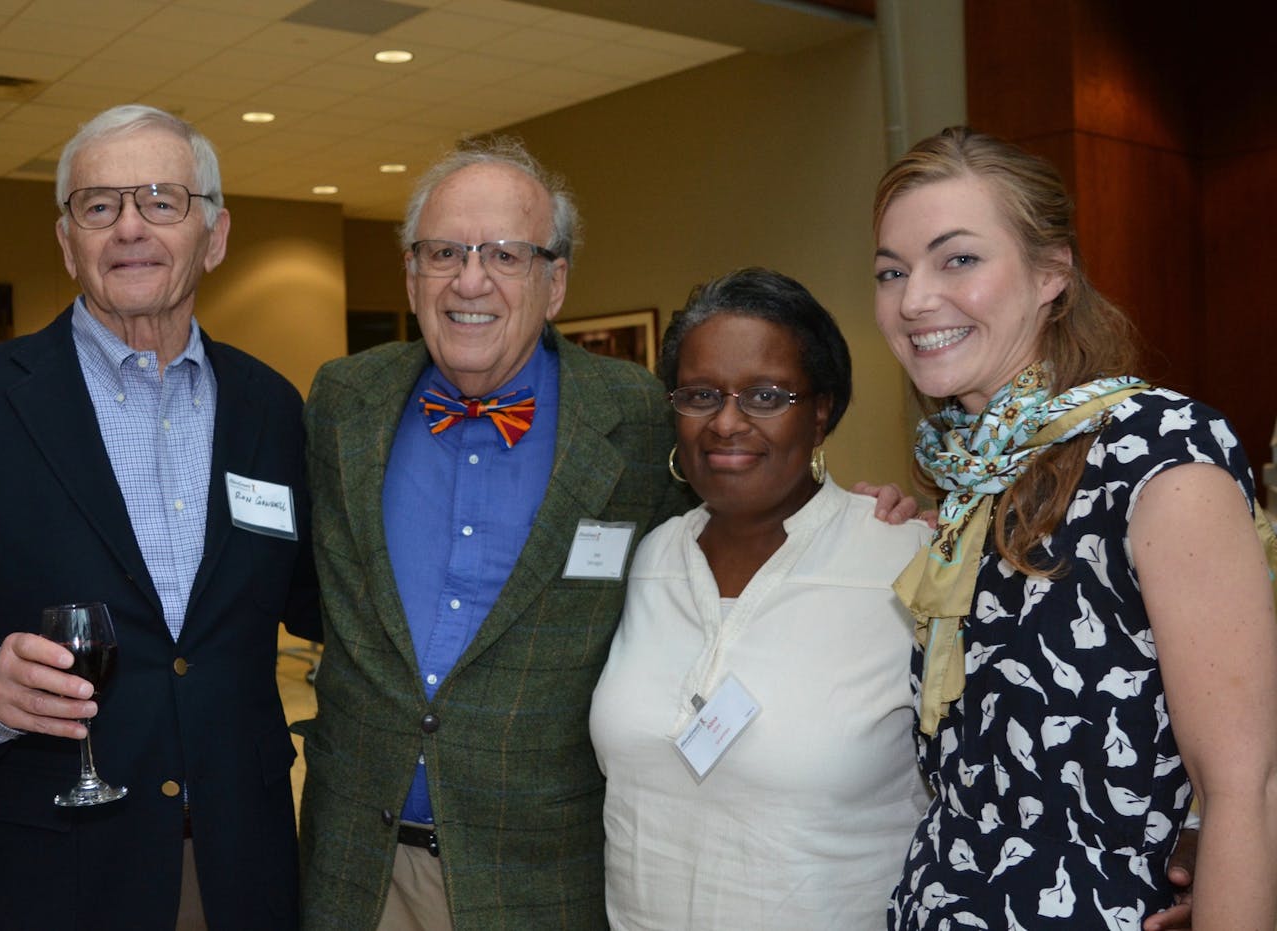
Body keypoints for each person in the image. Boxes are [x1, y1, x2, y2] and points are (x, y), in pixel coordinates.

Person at [296, 137, 921, 929]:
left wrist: (870, 517)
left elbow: (745, 491)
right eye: (444, 251)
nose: (471, 279)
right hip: (357, 868)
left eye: (506, 255)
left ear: (554, 281)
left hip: (544, 879)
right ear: (412, 271)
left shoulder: (633, 418)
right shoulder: (343, 400)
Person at [0, 104, 315, 930]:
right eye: (98, 206)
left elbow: (316, 598)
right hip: (48, 863)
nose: (129, 226)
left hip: (243, 857)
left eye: (161, 200)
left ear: (214, 234)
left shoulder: (272, 408)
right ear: (67, 241)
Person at [872, 126, 1277, 929]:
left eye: (958, 258)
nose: (914, 298)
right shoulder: (970, 481)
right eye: (891, 270)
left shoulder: (1158, 449)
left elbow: (1245, 786)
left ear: (1051, 273)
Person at [590, 267, 932, 929]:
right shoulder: (649, 558)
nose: (725, 421)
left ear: (822, 409)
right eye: (698, 394)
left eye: (766, 395)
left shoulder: (907, 563)